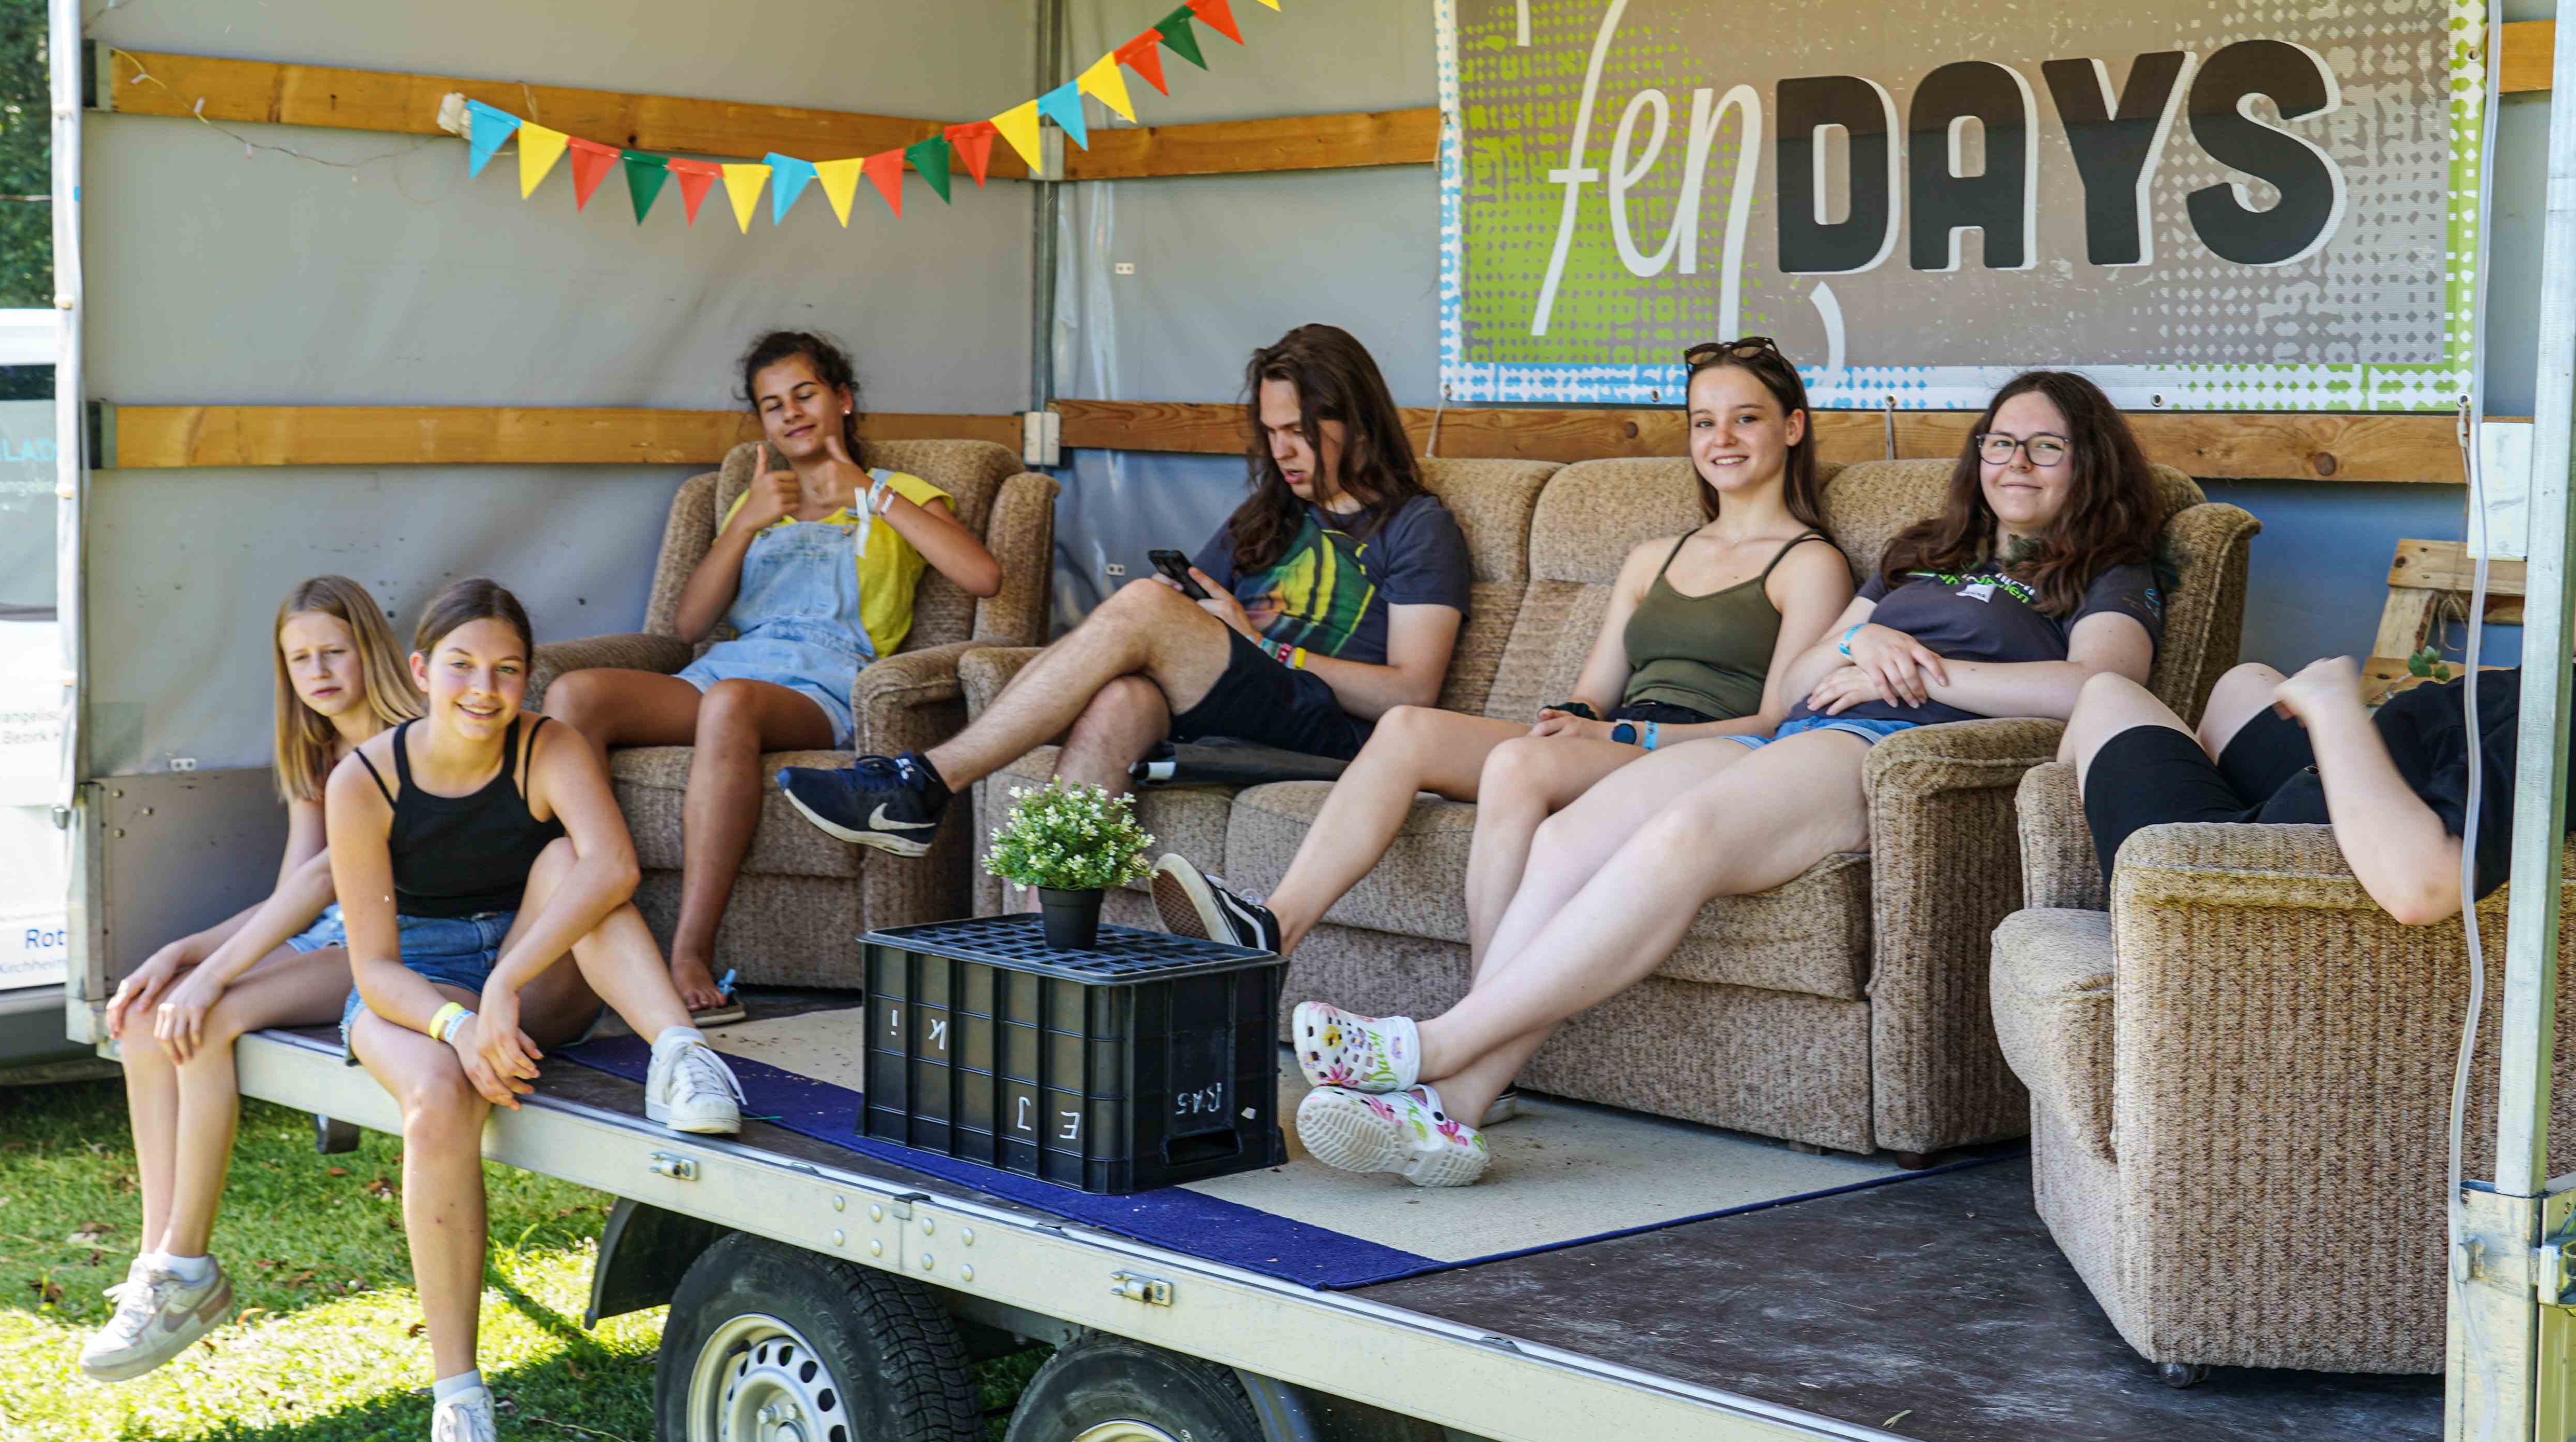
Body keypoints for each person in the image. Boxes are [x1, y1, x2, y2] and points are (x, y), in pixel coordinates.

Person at [1282, 370, 2171, 1188]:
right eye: (2001, 443)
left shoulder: (2110, 570)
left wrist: (1925, 671)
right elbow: (1798, 679)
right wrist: (1861, 640)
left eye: (2045, 447)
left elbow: (2098, 688)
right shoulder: (1922, 550)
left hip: (1888, 749)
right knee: (1566, 838)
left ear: (2086, 462)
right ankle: (1452, 1114)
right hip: (1792, 732)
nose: (2017, 463)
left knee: (1683, 836)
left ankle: (1429, 1046)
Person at [1149, 338, 1854, 971]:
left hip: (1696, 753)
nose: (1721, 439)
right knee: (1407, 728)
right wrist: (1574, 717)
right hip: (1614, 741)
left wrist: (1625, 735)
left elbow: (1774, 725)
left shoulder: (1809, 564)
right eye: (1704, 422)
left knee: (1518, 763)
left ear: (1792, 427)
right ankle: (1274, 925)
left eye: (1746, 418)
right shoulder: (1652, 558)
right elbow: (1593, 694)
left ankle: (1484, 1010)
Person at [328, 578, 748, 1442]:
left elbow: (613, 868)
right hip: (416, 993)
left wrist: (506, 984)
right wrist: (460, 1024)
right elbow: (375, 967)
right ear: (421, 670)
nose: (484, 690)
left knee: (571, 865)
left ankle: (679, 1053)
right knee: (440, 1098)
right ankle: (460, 1404)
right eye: (462, 667)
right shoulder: (364, 781)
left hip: (525, 972)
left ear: (527, 677)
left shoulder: (547, 746)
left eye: (507, 670)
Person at [779, 323, 1470, 854]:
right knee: (1122, 698)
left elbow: (1410, 694)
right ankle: (1046, 942)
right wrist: (1173, 618)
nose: (1281, 451)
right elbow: (1184, 610)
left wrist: (1264, 646)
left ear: (1357, 423)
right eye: (1270, 432)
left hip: (1327, 729)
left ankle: (925, 782)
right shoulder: (1270, 514)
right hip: (1237, 704)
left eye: (1298, 432)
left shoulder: (1417, 527)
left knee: (1143, 607)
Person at [550, 331, 1001, 1022]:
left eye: (805, 394)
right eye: (772, 404)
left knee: (729, 706)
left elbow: (984, 577)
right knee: (573, 696)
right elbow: (688, 624)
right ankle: (588, 908)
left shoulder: (898, 492)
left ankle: (689, 951)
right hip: (730, 667)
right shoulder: (755, 500)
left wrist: (872, 496)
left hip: (826, 683)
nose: (790, 413)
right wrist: (745, 523)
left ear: (842, 399)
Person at [80, 576, 425, 1383]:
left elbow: (331, 886)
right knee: (145, 1016)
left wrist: (213, 975)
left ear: (371, 650)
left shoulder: (407, 742)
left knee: (208, 1016)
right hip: (327, 936)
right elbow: (292, 896)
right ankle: (157, 1261)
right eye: (300, 658)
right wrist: (182, 955)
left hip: (400, 943)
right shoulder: (319, 754)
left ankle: (190, 1269)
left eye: (334, 651)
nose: (318, 671)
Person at [2057, 552, 2576, 922]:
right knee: (2245, 682)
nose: (2543, 566)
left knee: (2105, 695)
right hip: (2324, 817)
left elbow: (2424, 886)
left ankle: (2129, 925)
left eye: (2574, 549)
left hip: (2270, 865)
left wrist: (2336, 710)